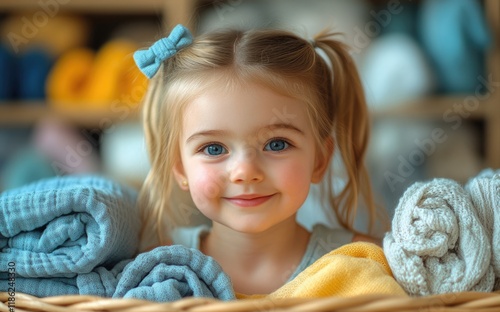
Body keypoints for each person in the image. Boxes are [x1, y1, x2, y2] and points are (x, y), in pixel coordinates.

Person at [134, 24, 382, 296]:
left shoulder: (362, 263)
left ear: (320, 160)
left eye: (277, 144)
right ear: (180, 167)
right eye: (214, 149)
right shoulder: (157, 268)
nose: (245, 172)